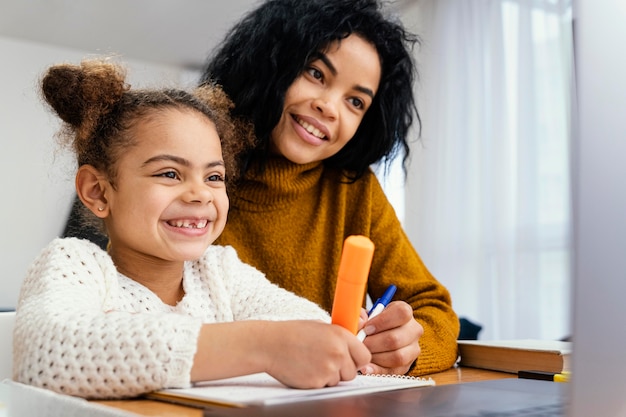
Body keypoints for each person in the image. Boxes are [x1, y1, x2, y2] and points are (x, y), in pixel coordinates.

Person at [12, 58, 372, 399]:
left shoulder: (219, 271)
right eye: (169, 173)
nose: (201, 193)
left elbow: (305, 325)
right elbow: (48, 353)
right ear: (98, 191)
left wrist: (340, 336)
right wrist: (262, 345)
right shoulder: (75, 264)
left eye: (214, 176)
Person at [201, 0, 460, 377]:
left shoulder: (354, 190)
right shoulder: (194, 165)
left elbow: (433, 307)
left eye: (355, 101)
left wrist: (409, 348)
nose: (329, 107)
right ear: (270, 62)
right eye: (316, 73)